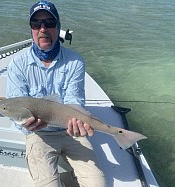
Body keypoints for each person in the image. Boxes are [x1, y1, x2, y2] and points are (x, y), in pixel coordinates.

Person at [6, 1, 106, 186]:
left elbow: (73, 100)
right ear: (31, 29)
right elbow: (16, 106)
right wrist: (28, 125)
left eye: (49, 23)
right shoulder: (17, 63)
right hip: (39, 135)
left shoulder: (75, 61)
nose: (43, 28)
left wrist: (79, 123)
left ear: (58, 27)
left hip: (71, 132)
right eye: (36, 24)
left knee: (98, 184)